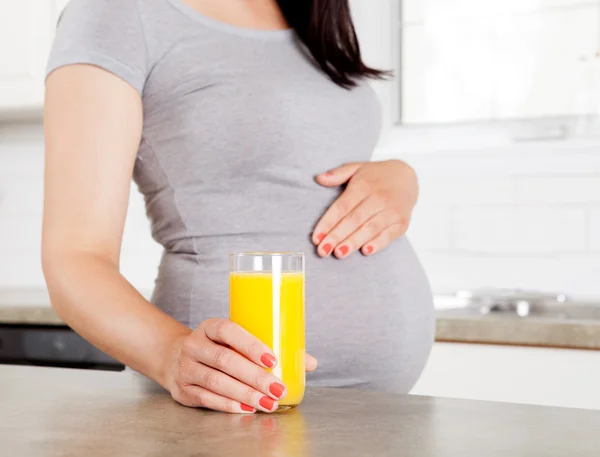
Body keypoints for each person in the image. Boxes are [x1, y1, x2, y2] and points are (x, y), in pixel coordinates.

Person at [43, 0, 435, 414]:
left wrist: (399, 178)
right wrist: (171, 354)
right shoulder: (118, 13)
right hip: (228, 404)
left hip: (379, 415)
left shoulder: (308, 13)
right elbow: (75, 257)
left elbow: (302, 167)